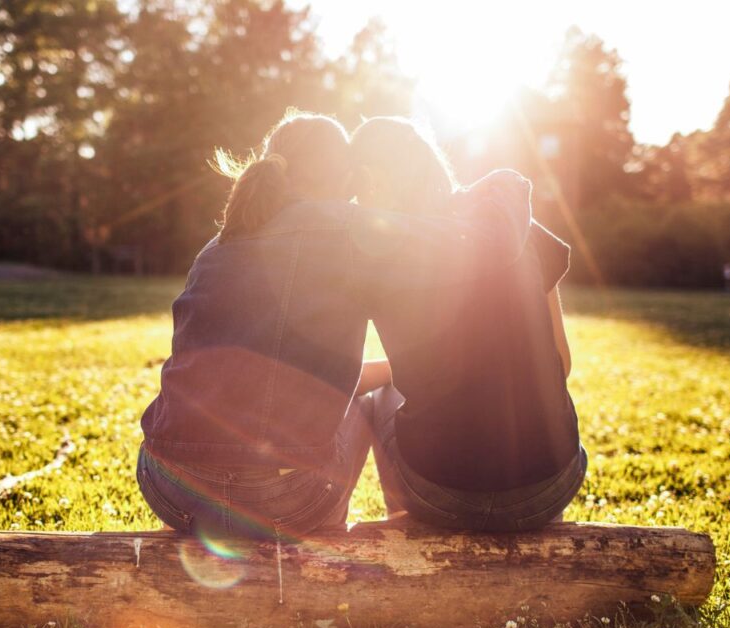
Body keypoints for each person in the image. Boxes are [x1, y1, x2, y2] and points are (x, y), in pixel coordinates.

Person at [137, 109, 532, 541]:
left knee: (347, 398)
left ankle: (203, 540)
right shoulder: (354, 232)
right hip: (284, 499)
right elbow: (488, 244)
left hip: (170, 486)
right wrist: (508, 185)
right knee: (363, 404)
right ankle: (336, 541)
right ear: (347, 178)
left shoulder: (220, 242)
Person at [350, 117, 586, 532]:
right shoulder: (516, 224)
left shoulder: (379, 250)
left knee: (377, 400)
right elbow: (561, 363)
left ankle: (411, 534)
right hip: (551, 485)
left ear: (371, 181)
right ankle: (532, 527)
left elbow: (342, 375)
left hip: (441, 493)